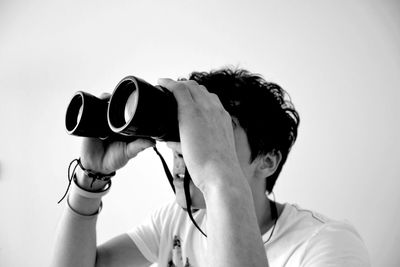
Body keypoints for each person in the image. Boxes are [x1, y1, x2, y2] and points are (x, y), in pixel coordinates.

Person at [52, 67, 370, 267]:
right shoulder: (175, 222)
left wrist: (217, 173)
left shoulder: (325, 245)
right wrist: (89, 180)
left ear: (268, 160)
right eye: (183, 136)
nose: (185, 153)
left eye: (213, 132)